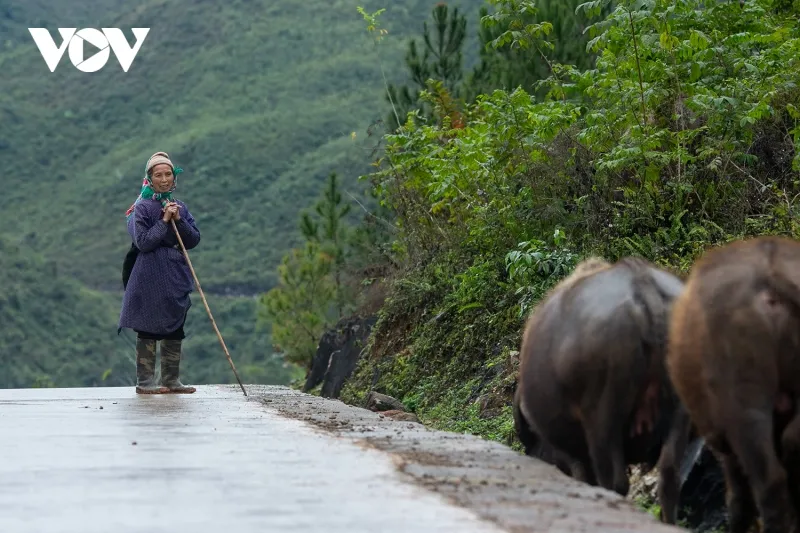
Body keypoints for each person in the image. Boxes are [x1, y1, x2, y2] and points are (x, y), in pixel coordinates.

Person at [118, 151, 201, 394]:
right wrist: (164, 220)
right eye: (158, 175)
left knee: (176, 326)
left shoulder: (180, 207)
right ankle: (145, 383)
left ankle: (171, 381)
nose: (164, 179)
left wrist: (179, 219)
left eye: (168, 174)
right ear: (150, 179)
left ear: (174, 178)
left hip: (176, 276)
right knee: (148, 326)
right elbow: (143, 242)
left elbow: (193, 239)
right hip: (149, 276)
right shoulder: (140, 209)